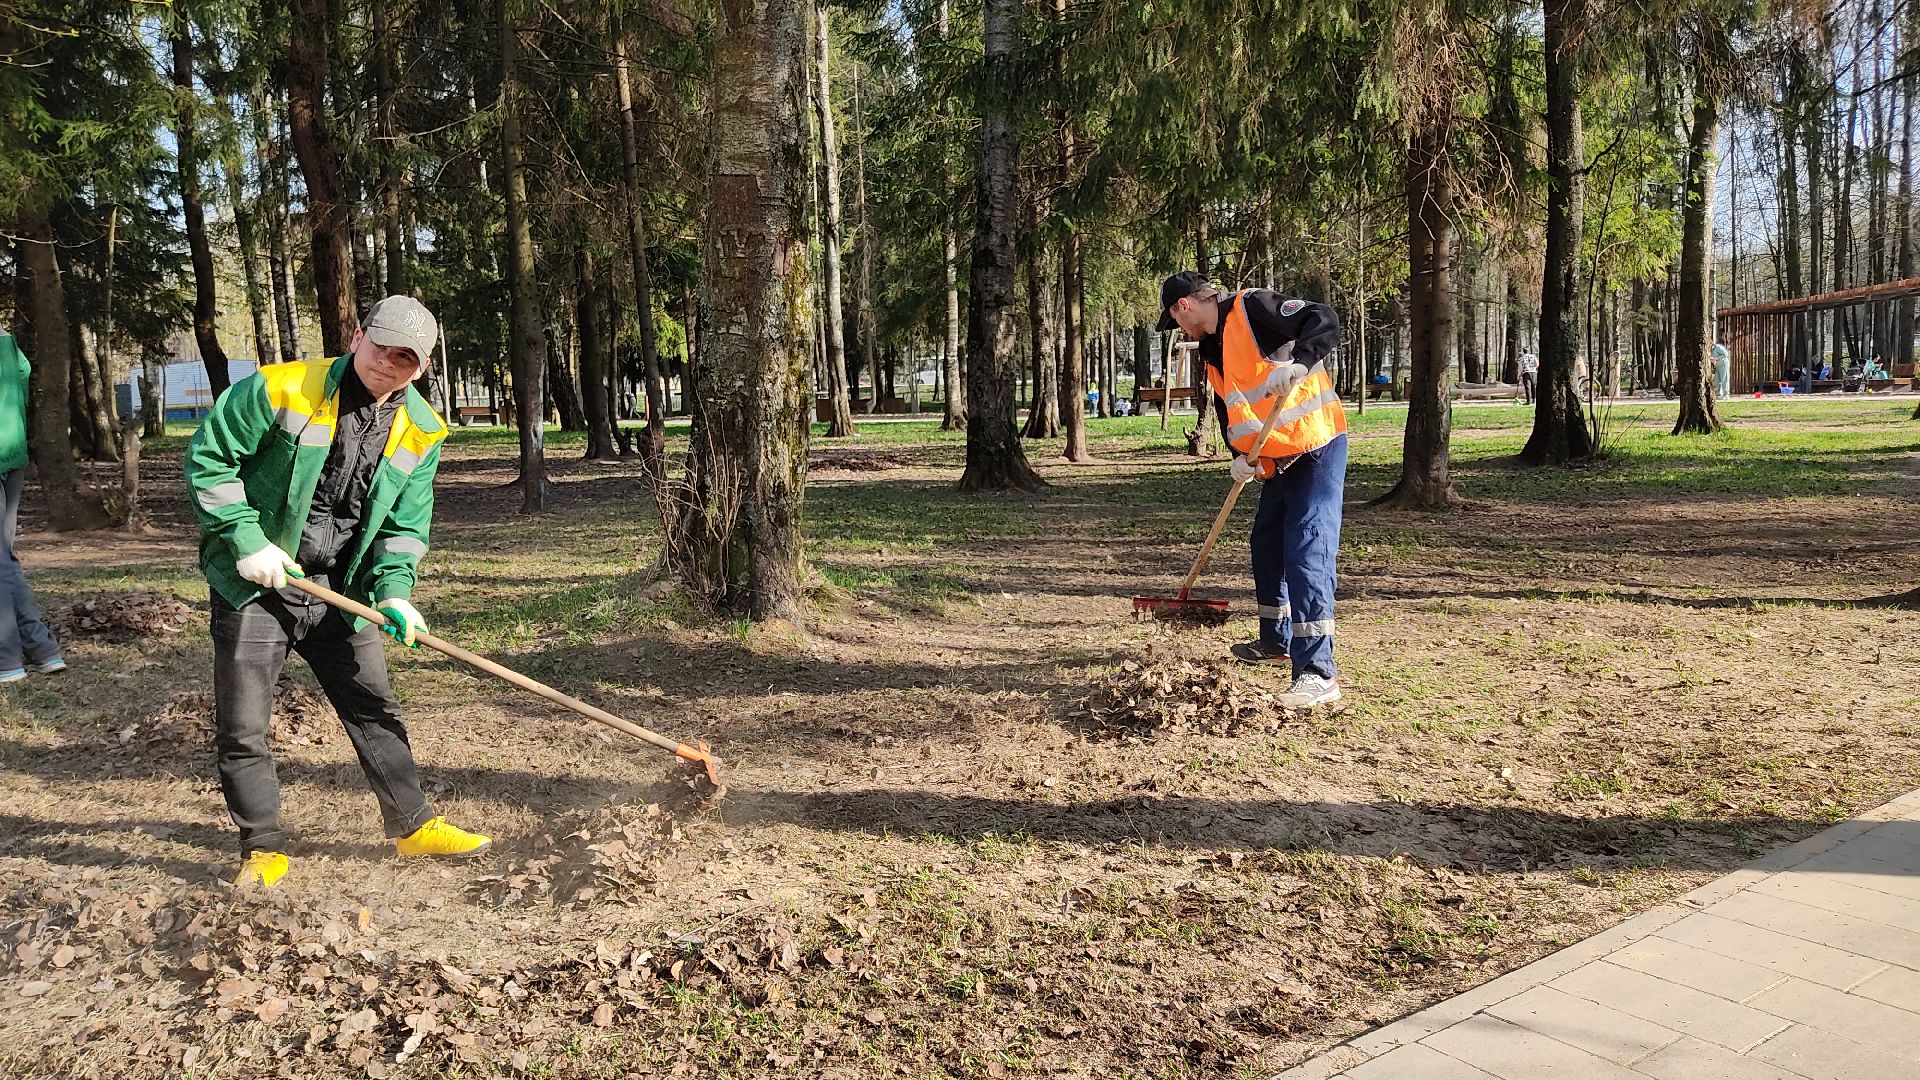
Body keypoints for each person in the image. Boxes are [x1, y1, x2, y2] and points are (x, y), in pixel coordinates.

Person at [185, 297, 489, 889]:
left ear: (421, 367)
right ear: (356, 336)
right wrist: (248, 542)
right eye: (381, 348)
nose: (388, 364)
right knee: (244, 725)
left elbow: (404, 528)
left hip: (337, 587)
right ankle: (262, 846)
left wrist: (396, 594)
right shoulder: (281, 389)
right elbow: (208, 461)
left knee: (373, 705)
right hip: (257, 580)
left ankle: (412, 826)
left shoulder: (421, 429)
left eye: (406, 358)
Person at [1157, 272, 1347, 708]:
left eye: (1176, 322)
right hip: (1274, 461)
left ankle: (1318, 672)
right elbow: (1233, 413)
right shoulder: (1210, 351)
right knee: (1265, 543)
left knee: (1306, 548)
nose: (1181, 332)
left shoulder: (1253, 308)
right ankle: (1275, 641)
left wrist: (1298, 364)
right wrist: (1239, 457)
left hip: (1315, 446)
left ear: (1184, 306)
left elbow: (1323, 318)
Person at [0, 325, 65, 684]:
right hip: (12, 452)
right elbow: (23, 378)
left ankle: (7, 659)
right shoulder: (6, 339)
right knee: (3, 557)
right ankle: (43, 650)